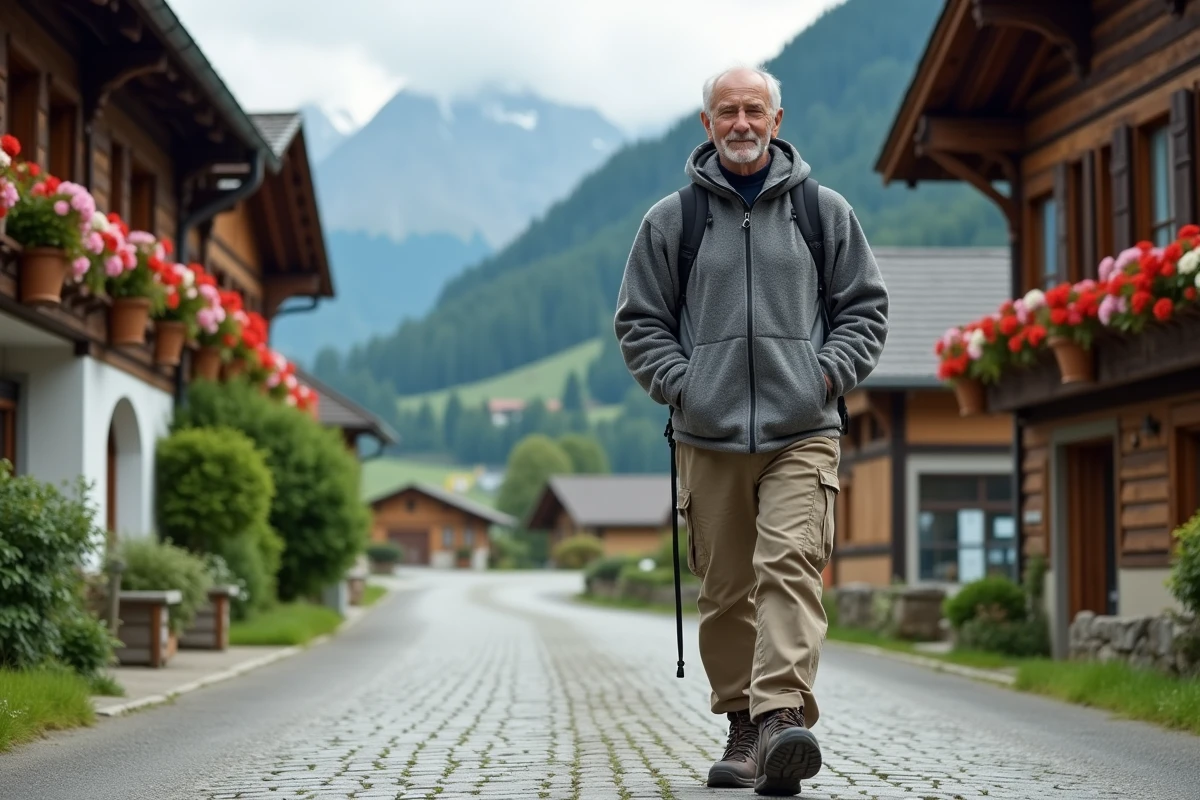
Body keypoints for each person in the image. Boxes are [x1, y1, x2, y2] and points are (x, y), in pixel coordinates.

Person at [613, 65, 888, 796]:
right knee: (727, 588)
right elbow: (639, 323)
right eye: (728, 111)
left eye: (754, 110)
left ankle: (779, 720)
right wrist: (685, 388)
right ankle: (742, 729)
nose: (742, 123)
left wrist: (824, 376)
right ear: (707, 124)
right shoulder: (672, 221)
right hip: (707, 437)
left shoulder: (823, 212)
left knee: (790, 564)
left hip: (803, 430)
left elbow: (866, 310)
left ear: (776, 120)